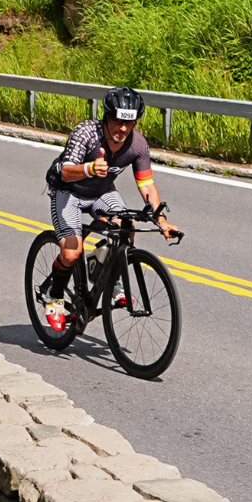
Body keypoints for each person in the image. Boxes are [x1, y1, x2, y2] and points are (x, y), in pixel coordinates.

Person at [40, 86, 181, 330]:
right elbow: (65, 170)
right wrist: (90, 169)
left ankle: (109, 278)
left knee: (126, 227)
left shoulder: (137, 144)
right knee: (72, 253)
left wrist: (162, 220)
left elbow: (147, 183)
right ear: (106, 117)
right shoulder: (86, 133)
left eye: (130, 122)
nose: (123, 128)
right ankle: (53, 297)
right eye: (117, 121)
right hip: (68, 191)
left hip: (101, 192)